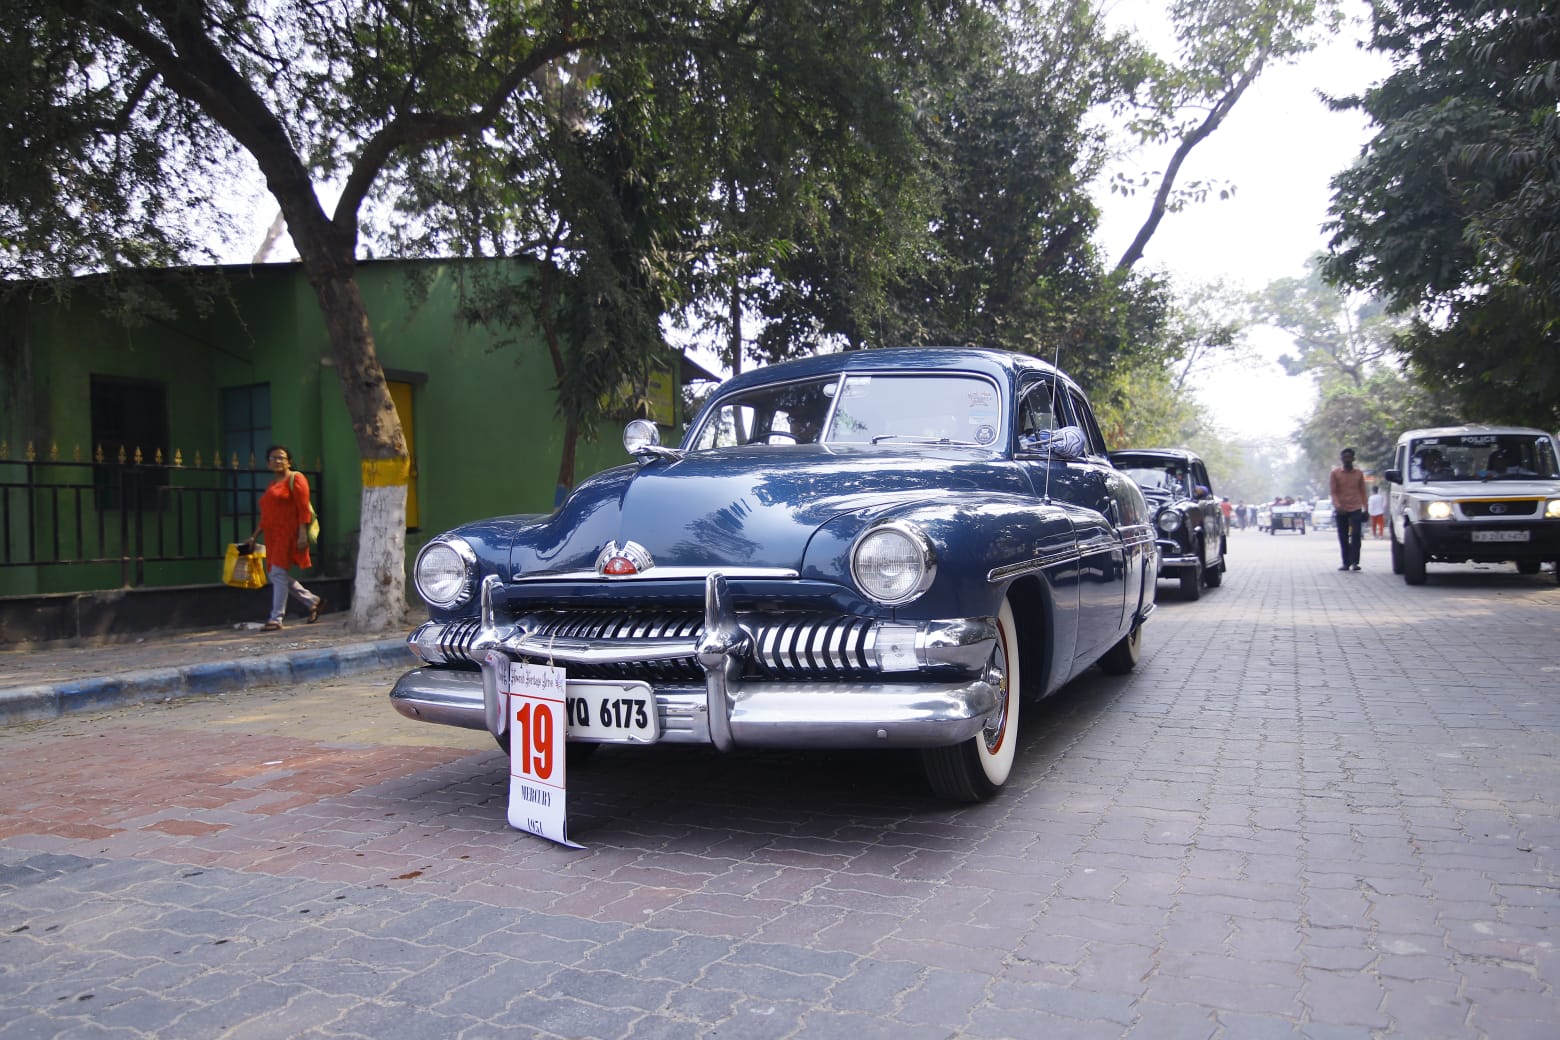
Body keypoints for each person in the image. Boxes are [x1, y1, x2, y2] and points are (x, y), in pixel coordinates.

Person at [244, 444, 323, 631]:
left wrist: (302, 534)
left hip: (289, 534)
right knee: (276, 574)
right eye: (273, 458)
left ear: (289, 461)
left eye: (281, 457)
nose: (277, 461)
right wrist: (254, 536)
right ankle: (312, 600)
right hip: (272, 535)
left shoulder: (296, 479)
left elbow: (303, 508)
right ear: (268, 462)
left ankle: (276, 618)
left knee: (277, 573)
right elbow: (267, 516)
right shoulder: (272, 484)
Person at [1329, 446, 1369, 571]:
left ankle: (1355, 562)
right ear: (1341, 459)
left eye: (1349, 457)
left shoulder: (1358, 473)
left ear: (1353, 459)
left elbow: (1363, 491)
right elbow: (1333, 492)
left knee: (1356, 535)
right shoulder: (1335, 473)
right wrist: (1338, 506)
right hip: (1341, 509)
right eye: (1344, 457)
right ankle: (1346, 563)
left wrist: (1365, 508)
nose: (1347, 459)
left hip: (1356, 507)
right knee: (1343, 536)